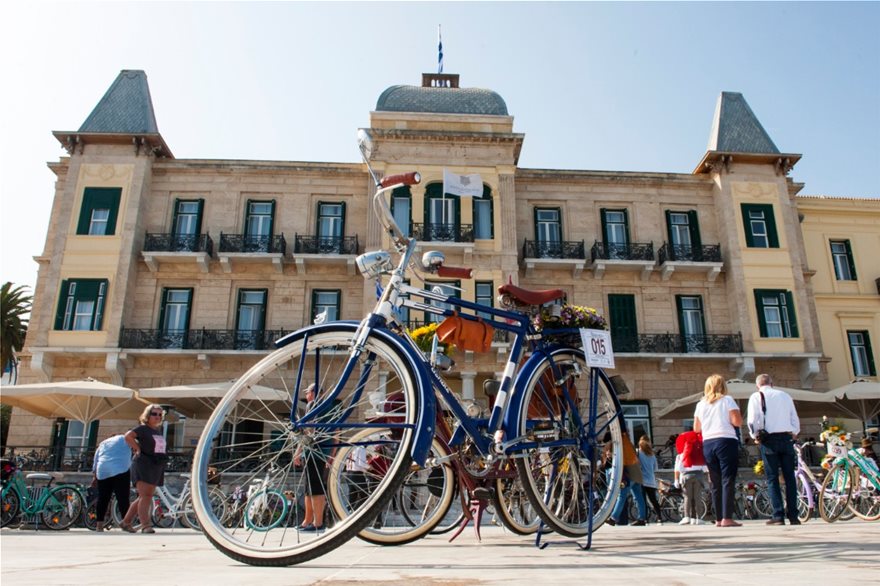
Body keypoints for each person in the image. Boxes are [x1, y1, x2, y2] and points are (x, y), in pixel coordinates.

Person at [747, 373, 801, 526]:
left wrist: (755, 436)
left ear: (758, 385)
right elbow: (794, 417)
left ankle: (778, 515)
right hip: (786, 438)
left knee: (772, 478)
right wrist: (794, 433)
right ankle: (794, 515)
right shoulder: (785, 395)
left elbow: (752, 420)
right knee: (790, 478)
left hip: (769, 440)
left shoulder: (757, 396)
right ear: (772, 383)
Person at [695, 374, 743, 527]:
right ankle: (727, 518)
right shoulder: (727, 400)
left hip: (708, 442)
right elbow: (737, 421)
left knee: (715, 482)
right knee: (728, 479)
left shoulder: (700, 404)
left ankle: (718, 518)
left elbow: (697, 428)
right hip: (726, 440)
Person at [294, 384, 339, 532]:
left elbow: (308, 430)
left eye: (307, 393)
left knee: (314, 487)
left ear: (313, 394)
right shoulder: (332, 406)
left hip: (313, 450)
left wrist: (298, 451)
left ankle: (317, 522)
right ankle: (307, 520)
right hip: (323, 451)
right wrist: (332, 455)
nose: (306, 396)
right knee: (310, 487)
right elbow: (336, 433)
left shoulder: (312, 405)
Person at [120, 404, 168, 533]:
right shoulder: (143, 428)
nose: (157, 416)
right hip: (143, 464)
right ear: (147, 415)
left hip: (155, 464)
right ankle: (145, 525)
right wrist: (137, 448)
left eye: (160, 414)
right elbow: (128, 436)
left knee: (145, 496)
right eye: (154, 414)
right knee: (145, 496)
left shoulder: (157, 431)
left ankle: (126, 522)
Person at [91, 434, 133, 532]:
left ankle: (99, 525)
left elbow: (96, 460)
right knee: (123, 498)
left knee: (103, 498)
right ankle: (126, 524)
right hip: (120, 469)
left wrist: (94, 477)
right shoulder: (126, 438)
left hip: (103, 470)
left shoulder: (103, 443)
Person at [606, 434, 647, 526]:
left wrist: (622, 478)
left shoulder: (621, 446)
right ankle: (642, 518)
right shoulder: (629, 444)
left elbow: (622, 462)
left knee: (621, 495)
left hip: (629, 474)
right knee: (638, 496)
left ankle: (614, 517)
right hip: (636, 472)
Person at [674, 430, 708, 525]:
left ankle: (686, 517)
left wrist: (676, 480)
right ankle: (698, 518)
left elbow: (677, 469)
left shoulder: (680, 455)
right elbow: (705, 468)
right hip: (698, 476)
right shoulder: (699, 452)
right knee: (697, 497)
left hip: (686, 476)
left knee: (687, 497)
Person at [637, 435, 663, 524]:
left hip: (642, 480)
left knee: (643, 501)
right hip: (651, 480)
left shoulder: (638, 453)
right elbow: (655, 468)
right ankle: (660, 517)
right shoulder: (652, 455)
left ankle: (645, 519)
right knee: (653, 500)